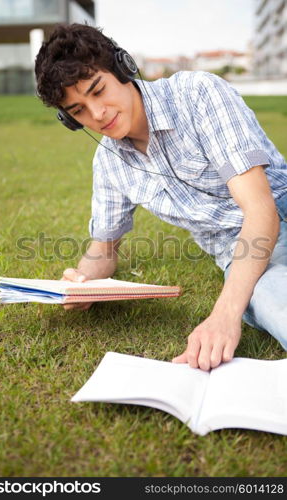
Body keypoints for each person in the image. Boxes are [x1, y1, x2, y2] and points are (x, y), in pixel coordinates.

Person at [35, 23, 287, 371]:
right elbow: (103, 250)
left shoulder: (198, 94)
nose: (97, 114)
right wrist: (83, 281)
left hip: (275, 211)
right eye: (78, 110)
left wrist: (224, 315)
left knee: (243, 301)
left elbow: (261, 209)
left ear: (124, 68)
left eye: (98, 90)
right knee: (272, 303)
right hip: (239, 253)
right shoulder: (109, 164)